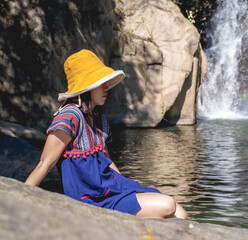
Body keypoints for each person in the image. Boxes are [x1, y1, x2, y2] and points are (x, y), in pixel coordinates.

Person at [25, 49, 188, 219]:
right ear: (87, 88)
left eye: (106, 82)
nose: (106, 88)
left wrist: (124, 185)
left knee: (180, 213)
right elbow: (45, 163)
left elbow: (108, 162)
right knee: (168, 205)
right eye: (100, 83)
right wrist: (20, 197)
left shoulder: (98, 119)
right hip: (91, 199)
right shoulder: (69, 117)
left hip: (109, 191)